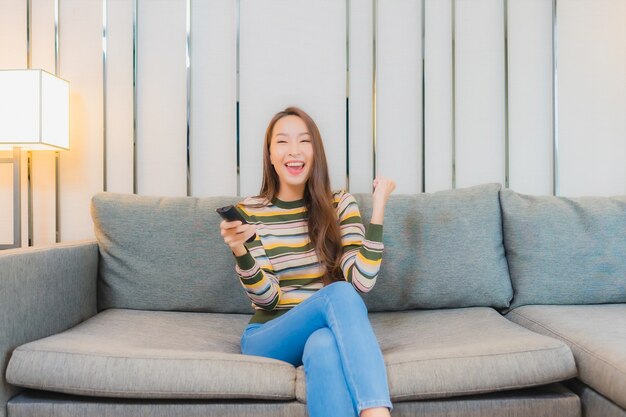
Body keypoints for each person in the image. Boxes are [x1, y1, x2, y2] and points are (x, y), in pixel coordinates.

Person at [219, 106, 396, 417]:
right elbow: (268, 297)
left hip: (322, 329)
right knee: (339, 294)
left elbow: (362, 281)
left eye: (304, 141)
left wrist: (379, 207)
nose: (294, 151)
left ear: (316, 153)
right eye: (282, 142)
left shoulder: (340, 204)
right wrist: (240, 251)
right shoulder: (250, 210)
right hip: (268, 336)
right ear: (270, 155)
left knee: (324, 344)